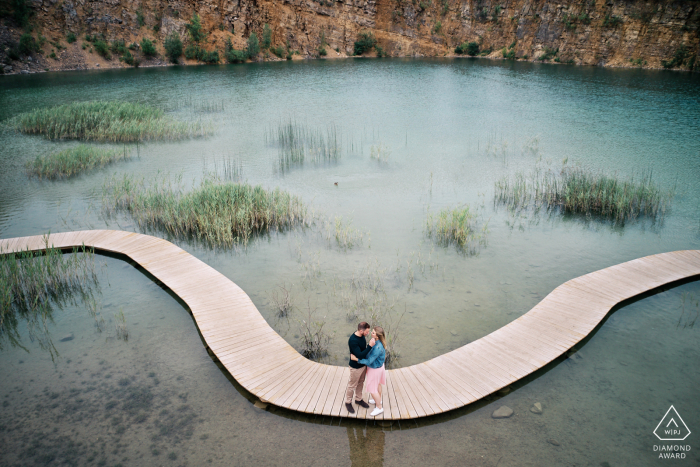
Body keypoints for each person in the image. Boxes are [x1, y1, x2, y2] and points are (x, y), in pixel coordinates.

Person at [351, 326, 386, 417]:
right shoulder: (378, 342)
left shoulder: (378, 347)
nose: (371, 333)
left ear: (378, 336)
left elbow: (369, 361)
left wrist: (357, 359)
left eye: (373, 333)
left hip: (375, 369)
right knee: (377, 384)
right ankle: (377, 400)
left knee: (372, 389)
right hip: (379, 366)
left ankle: (379, 407)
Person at [344, 322, 374, 414]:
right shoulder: (353, 340)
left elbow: (362, 351)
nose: (368, 333)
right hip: (355, 367)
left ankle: (358, 399)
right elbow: (360, 355)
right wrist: (370, 346)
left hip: (363, 365)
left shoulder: (361, 336)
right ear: (361, 330)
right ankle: (348, 402)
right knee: (352, 385)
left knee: (361, 382)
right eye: (367, 332)